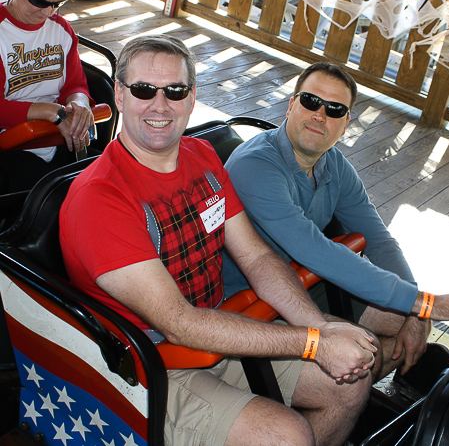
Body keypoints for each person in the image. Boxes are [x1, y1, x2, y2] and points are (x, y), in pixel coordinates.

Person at [60, 36, 376, 446]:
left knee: (351, 380)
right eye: (143, 90)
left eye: (175, 91)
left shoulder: (203, 157)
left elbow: (258, 257)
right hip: (148, 364)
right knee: (286, 436)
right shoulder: (99, 199)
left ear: (192, 98)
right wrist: (314, 343)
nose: (160, 105)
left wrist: (316, 326)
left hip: (215, 329)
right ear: (119, 95)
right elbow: (179, 322)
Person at [222, 61, 449, 381]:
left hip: (304, 280)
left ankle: (359, 389)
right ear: (291, 106)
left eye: (335, 109)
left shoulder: (335, 165)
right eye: (311, 101)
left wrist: (416, 306)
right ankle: (347, 390)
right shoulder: (255, 165)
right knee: (366, 354)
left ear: (344, 125)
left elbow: (379, 239)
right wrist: (422, 303)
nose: (320, 114)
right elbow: (316, 250)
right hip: (250, 300)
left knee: (404, 322)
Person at [0, 0, 95, 193]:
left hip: (56, 136)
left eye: (56, 3)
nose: (46, 12)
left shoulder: (61, 29)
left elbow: (75, 83)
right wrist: (50, 113)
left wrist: (80, 104)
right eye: (38, 1)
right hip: (10, 144)